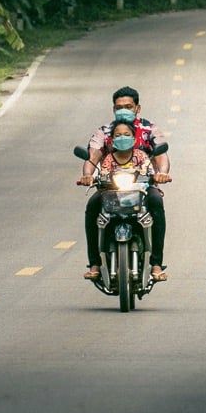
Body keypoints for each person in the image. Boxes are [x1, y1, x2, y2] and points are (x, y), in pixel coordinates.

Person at [76, 87, 172, 281]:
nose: (123, 110)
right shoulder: (105, 131)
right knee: (92, 206)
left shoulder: (149, 129)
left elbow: (161, 156)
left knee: (157, 204)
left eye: (128, 106)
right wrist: (88, 175)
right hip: (109, 188)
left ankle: (156, 264)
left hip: (144, 187)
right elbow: (93, 157)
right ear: (113, 109)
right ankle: (94, 262)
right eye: (119, 107)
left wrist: (161, 174)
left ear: (137, 108)